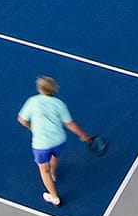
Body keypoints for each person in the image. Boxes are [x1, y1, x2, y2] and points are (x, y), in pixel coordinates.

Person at [18, 76, 94, 208]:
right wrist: (84, 136)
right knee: (54, 155)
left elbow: (22, 120)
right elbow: (70, 124)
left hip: (41, 145)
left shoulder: (32, 101)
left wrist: (32, 128)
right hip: (59, 141)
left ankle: (54, 198)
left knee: (43, 170)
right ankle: (53, 173)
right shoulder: (59, 104)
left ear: (40, 89)